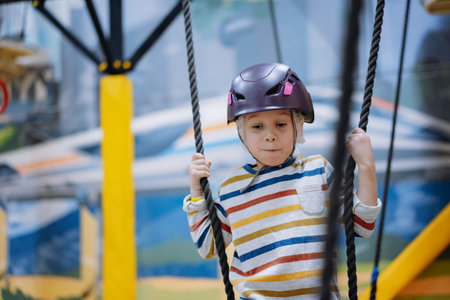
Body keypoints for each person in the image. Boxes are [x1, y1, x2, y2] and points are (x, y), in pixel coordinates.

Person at [183, 62, 381, 299]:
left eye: (281, 124)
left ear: (298, 126)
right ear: (242, 133)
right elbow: (209, 246)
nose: (270, 135)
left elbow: (362, 224)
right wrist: (196, 190)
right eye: (257, 126)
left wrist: (366, 165)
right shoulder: (233, 188)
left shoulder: (318, 171)